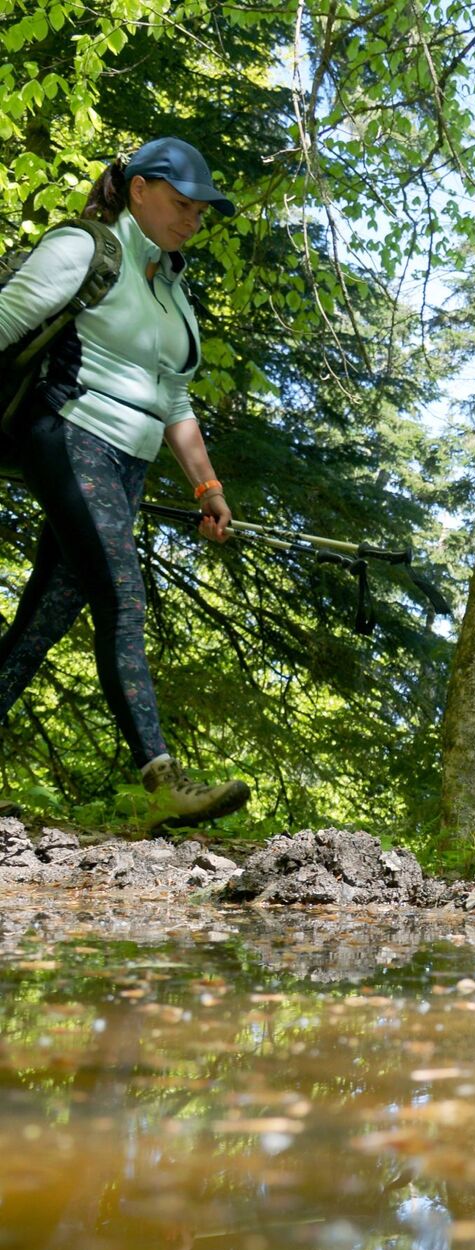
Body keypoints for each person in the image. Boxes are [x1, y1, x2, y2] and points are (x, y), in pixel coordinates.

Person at [0, 137, 250, 826]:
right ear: (138, 189)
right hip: (69, 435)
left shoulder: (169, 284)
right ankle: (162, 778)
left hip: (126, 464)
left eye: (202, 213)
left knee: (42, 621)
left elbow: (174, 400)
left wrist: (208, 488)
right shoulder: (84, 250)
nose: (194, 222)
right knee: (124, 597)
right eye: (183, 205)